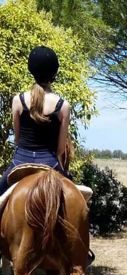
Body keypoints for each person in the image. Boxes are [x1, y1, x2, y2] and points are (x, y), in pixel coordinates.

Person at [0, 45, 70, 196]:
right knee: (76, 199)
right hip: (50, 163)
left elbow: (18, 140)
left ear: (31, 70)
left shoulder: (18, 100)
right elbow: (60, 150)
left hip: (20, 161)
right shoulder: (63, 106)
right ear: (54, 72)